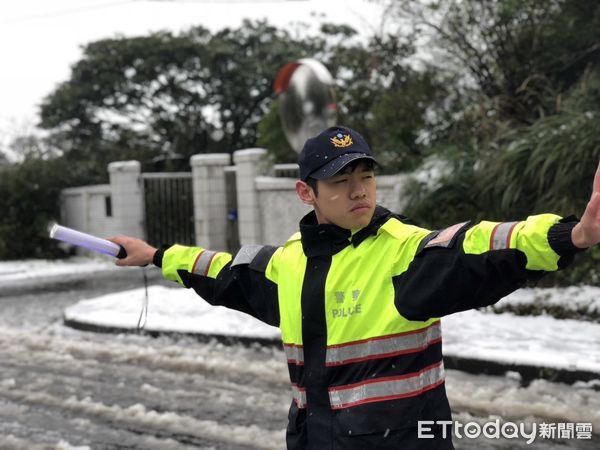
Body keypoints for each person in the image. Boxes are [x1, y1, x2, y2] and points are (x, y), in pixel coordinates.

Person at [110, 126, 599, 450]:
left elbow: (476, 246)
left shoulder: (403, 252)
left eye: (365, 176)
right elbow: (226, 270)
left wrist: (571, 235)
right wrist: (154, 255)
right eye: (341, 182)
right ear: (307, 193)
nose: (359, 190)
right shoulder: (292, 262)